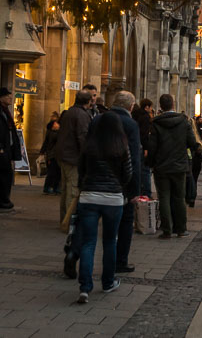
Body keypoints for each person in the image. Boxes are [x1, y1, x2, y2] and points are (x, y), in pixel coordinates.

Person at [75, 111, 133, 304]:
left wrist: (84, 185)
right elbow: (128, 173)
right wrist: (119, 187)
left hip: (89, 196)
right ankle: (108, 282)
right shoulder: (121, 146)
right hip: (113, 199)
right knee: (110, 241)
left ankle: (85, 287)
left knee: (88, 243)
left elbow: (80, 170)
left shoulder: (88, 146)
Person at [148, 94, 201, 238]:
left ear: (161, 106)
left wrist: (150, 164)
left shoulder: (156, 123)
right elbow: (191, 142)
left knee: (164, 197)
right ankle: (181, 229)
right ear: (173, 104)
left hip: (162, 166)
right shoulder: (184, 122)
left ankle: (167, 229)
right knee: (179, 197)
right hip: (179, 165)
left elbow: (152, 147)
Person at [101, 90, 141, 275]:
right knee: (125, 221)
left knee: (91, 223)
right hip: (121, 182)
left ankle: (75, 253)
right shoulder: (130, 124)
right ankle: (120, 261)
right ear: (130, 106)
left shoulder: (99, 119)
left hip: (96, 180)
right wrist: (135, 189)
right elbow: (133, 157)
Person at [56, 90, 93, 225]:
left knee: (66, 189)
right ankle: (68, 222)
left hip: (64, 155)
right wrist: (86, 157)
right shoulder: (81, 115)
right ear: (88, 101)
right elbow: (82, 137)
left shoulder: (69, 112)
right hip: (73, 157)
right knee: (72, 190)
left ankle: (64, 219)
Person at [0, 87, 20, 210]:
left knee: (7, 175)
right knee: (4, 175)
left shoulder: (5, 111)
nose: (10, 98)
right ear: (1, 98)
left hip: (7, 148)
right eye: (8, 97)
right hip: (2, 148)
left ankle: (4, 199)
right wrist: (0, 147)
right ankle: (2, 200)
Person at [132, 98, 154, 198]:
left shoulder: (134, 115)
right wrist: (146, 148)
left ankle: (138, 191)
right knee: (145, 171)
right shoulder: (145, 117)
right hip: (142, 146)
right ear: (147, 107)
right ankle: (146, 193)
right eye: (150, 107)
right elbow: (144, 134)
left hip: (135, 144)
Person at [40, 111, 62, 195]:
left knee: (57, 173)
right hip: (52, 155)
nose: (57, 124)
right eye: (55, 123)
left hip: (57, 155)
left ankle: (55, 187)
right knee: (52, 172)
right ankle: (48, 187)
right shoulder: (53, 132)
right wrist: (43, 151)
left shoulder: (56, 131)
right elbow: (47, 142)